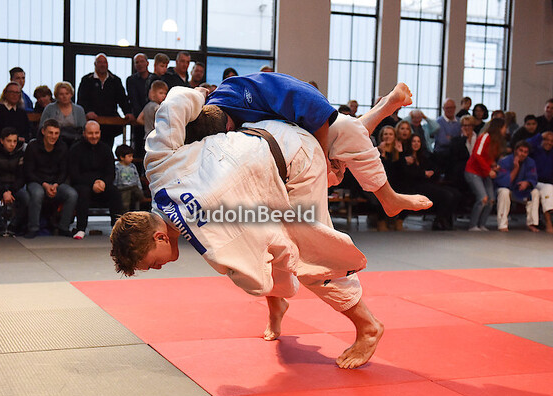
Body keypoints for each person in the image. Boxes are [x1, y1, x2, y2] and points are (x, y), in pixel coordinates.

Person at [112, 86, 431, 369]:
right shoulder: (157, 168)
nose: (155, 268)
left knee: (310, 259)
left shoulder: (211, 242)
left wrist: (270, 270)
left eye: (149, 263)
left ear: (158, 237)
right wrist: (201, 94)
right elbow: (175, 102)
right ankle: (277, 302)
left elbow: (258, 276)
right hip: (271, 132)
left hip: (297, 167)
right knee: (271, 244)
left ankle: (368, 327)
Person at [201, 73, 429, 216]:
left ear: (227, 126)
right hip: (284, 143)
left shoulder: (243, 98)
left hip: (303, 116)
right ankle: (383, 107)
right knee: (347, 133)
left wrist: (322, 158)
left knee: (346, 133)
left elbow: (316, 107)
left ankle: (388, 198)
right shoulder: (208, 108)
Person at [68, 120, 122, 240]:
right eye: (90, 133)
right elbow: (74, 174)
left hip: (102, 184)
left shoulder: (105, 148)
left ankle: (117, 228)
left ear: (100, 133)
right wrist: (92, 183)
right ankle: (81, 228)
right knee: (84, 192)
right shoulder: (75, 149)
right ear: (84, 133)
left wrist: (103, 182)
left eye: (96, 133)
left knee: (115, 192)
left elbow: (111, 173)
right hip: (82, 184)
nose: (94, 136)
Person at [24, 119, 78, 238]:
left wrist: (55, 184)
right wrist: (45, 184)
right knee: (37, 193)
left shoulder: (63, 147)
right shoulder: (32, 146)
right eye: (50, 133)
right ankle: (33, 228)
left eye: (56, 133)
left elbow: (64, 171)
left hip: (55, 183)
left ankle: (63, 227)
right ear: (43, 131)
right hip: (37, 181)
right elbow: (28, 172)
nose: (53, 136)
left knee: (72, 194)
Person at [402, 134, 460, 230]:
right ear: (410, 143)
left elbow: (434, 168)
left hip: (427, 183)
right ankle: (438, 221)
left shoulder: (423, 156)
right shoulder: (405, 157)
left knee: (456, 194)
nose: (416, 143)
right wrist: (423, 173)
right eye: (414, 141)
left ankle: (444, 220)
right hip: (415, 185)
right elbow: (408, 173)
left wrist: (432, 172)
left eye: (418, 141)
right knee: (447, 195)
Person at [77, 53, 134, 147]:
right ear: (95, 64)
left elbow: (122, 99)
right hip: (92, 121)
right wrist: (88, 111)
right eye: (100, 62)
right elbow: (81, 100)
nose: (102, 65)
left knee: (107, 148)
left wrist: (128, 112)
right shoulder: (86, 80)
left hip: (110, 124)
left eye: (105, 62)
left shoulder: (115, 80)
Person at [0, 127, 29, 237]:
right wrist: (4, 191)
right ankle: (0, 227)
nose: (12, 144)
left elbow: (22, 177)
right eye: (9, 141)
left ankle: (13, 226)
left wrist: (11, 191)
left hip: (15, 185)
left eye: (15, 141)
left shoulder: (21, 153)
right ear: (2, 141)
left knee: (27, 198)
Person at [464, 118, 507, 231]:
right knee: (483, 198)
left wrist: (493, 165)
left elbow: (488, 157)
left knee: (491, 199)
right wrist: (489, 170)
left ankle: (481, 224)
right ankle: (473, 225)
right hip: (473, 171)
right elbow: (477, 155)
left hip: (484, 172)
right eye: (504, 127)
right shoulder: (485, 137)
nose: (505, 130)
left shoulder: (496, 141)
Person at [494, 141, 539, 232]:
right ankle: (502, 224)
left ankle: (531, 223)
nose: (522, 154)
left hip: (520, 191)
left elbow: (533, 177)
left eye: (525, 152)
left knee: (535, 192)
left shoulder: (530, 162)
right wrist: (516, 167)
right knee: (504, 192)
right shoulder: (504, 161)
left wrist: (527, 182)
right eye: (520, 150)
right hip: (507, 189)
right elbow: (504, 182)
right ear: (515, 151)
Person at [39, 82, 87, 148]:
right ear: (57, 95)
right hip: (55, 141)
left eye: (67, 93)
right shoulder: (49, 108)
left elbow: (84, 129)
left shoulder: (79, 110)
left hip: (75, 141)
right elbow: (42, 127)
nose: (64, 96)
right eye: (61, 94)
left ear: (71, 94)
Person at [376, 125, 405, 231]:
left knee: (406, 191)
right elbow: (383, 171)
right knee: (383, 193)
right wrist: (383, 154)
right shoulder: (377, 151)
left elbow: (401, 171)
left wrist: (400, 153)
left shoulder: (397, 151)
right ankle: (381, 221)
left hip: (395, 182)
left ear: (394, 137)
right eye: (385, 134)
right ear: (381, 136)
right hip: (381, 183)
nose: (388, 136)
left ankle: (398, 220)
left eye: (390, 134)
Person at [0, 82, 31, 149]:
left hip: (18, 146)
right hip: (0, 147)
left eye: (17, 93)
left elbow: (27, 132)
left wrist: (22, 138)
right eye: (12, 92)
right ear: (5, 94)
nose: (15, 95)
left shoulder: (22, 112)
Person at [126, 53, 152, 161]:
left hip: (151, 119)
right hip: (137, 119)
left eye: (142, 61)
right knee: (137, 149)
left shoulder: (154, 78)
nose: (140, 64)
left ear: (147, 63)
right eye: (137, 62)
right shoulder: (131, 80)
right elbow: (133, 99)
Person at [526, 131, 553, 233]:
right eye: (546, 140)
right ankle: (548, 222)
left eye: (551, 141)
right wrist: (540, 136)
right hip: (534, 182)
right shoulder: (535, 151)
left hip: (549, 183)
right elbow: (525, 144)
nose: (549, 143)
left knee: (548, 188)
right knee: (548, 189)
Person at [446, 115, 477, 195]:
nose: (467, 128)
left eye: (469, 125)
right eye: (464, 125)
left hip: (475, 168)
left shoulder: (478, 139)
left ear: (473, 126)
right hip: (461, 170)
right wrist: (464, 138)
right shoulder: (457, 140)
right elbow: (456, 154)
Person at [114, 144, 143, 213]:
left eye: (132, 156)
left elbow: (136, 177)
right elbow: (115, 178)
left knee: (137, 200)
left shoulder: (132, 166)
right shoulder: (117, 168)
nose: (131, 158)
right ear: (122, 157)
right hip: (123, 188)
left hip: (133, 187)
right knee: (125, 204)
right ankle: (125, 214)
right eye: (129, 156)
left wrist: (139, 187)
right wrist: (116, 188)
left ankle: (136, 213)